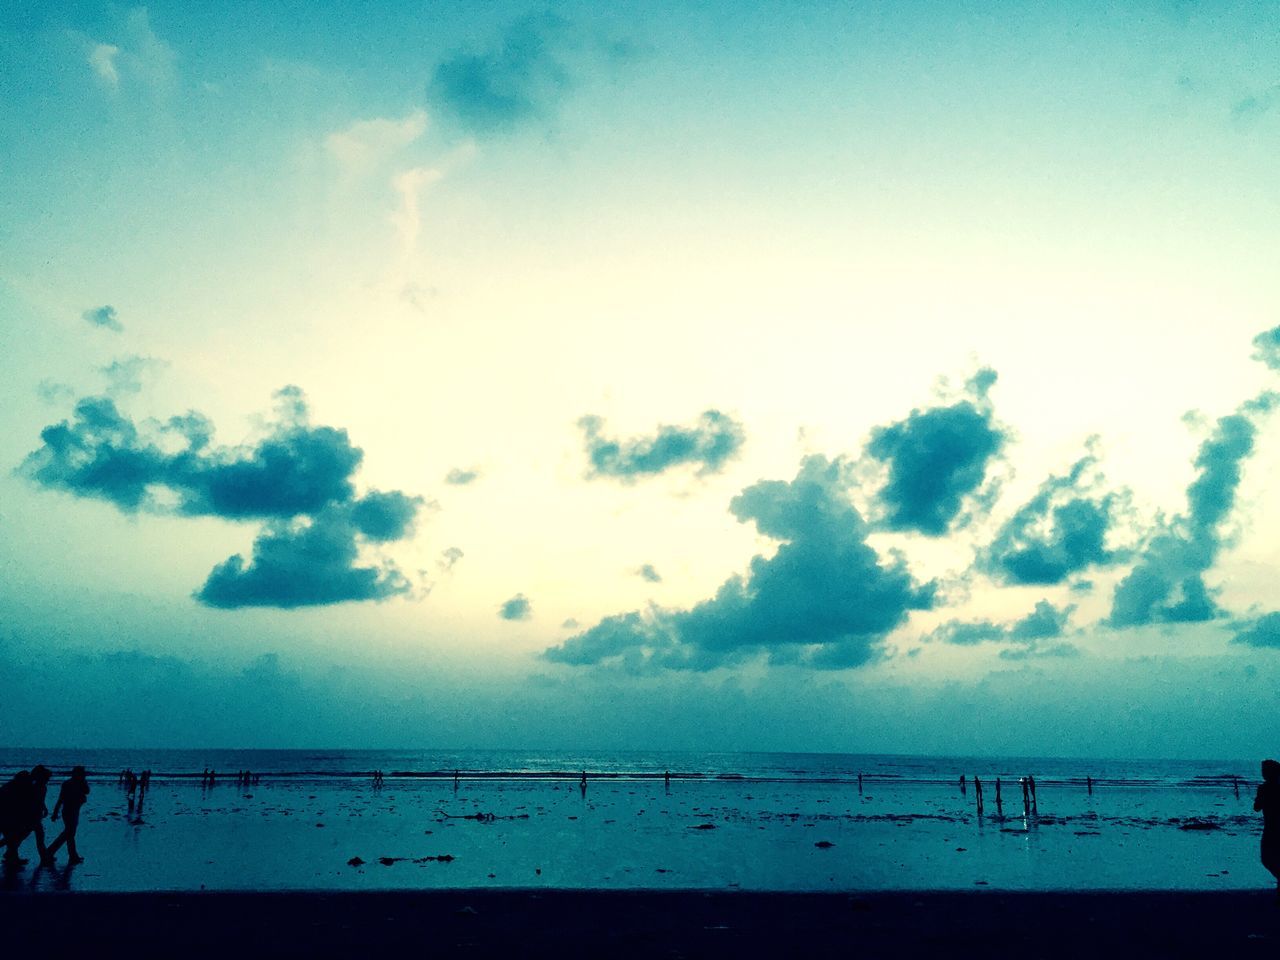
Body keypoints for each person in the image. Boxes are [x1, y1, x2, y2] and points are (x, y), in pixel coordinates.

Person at [46, 766, 90, 865]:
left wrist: (55, 812)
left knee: (70, 834)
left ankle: (72, 855)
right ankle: (51, 851)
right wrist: (55, 812)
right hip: (69, 811)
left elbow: (87, 791)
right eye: (82, 773)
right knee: (69, 833)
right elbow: (61, 798)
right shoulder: (68, 784)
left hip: (74, 810)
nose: (83, 775)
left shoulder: (79, 783)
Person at [1255, 759, 1280, 900]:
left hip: (1270, 828)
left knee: (1267, 859)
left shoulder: (1263, 788)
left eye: (1264, 771)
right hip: (1273, 827)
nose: (1263, 773)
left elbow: (1257, 807)